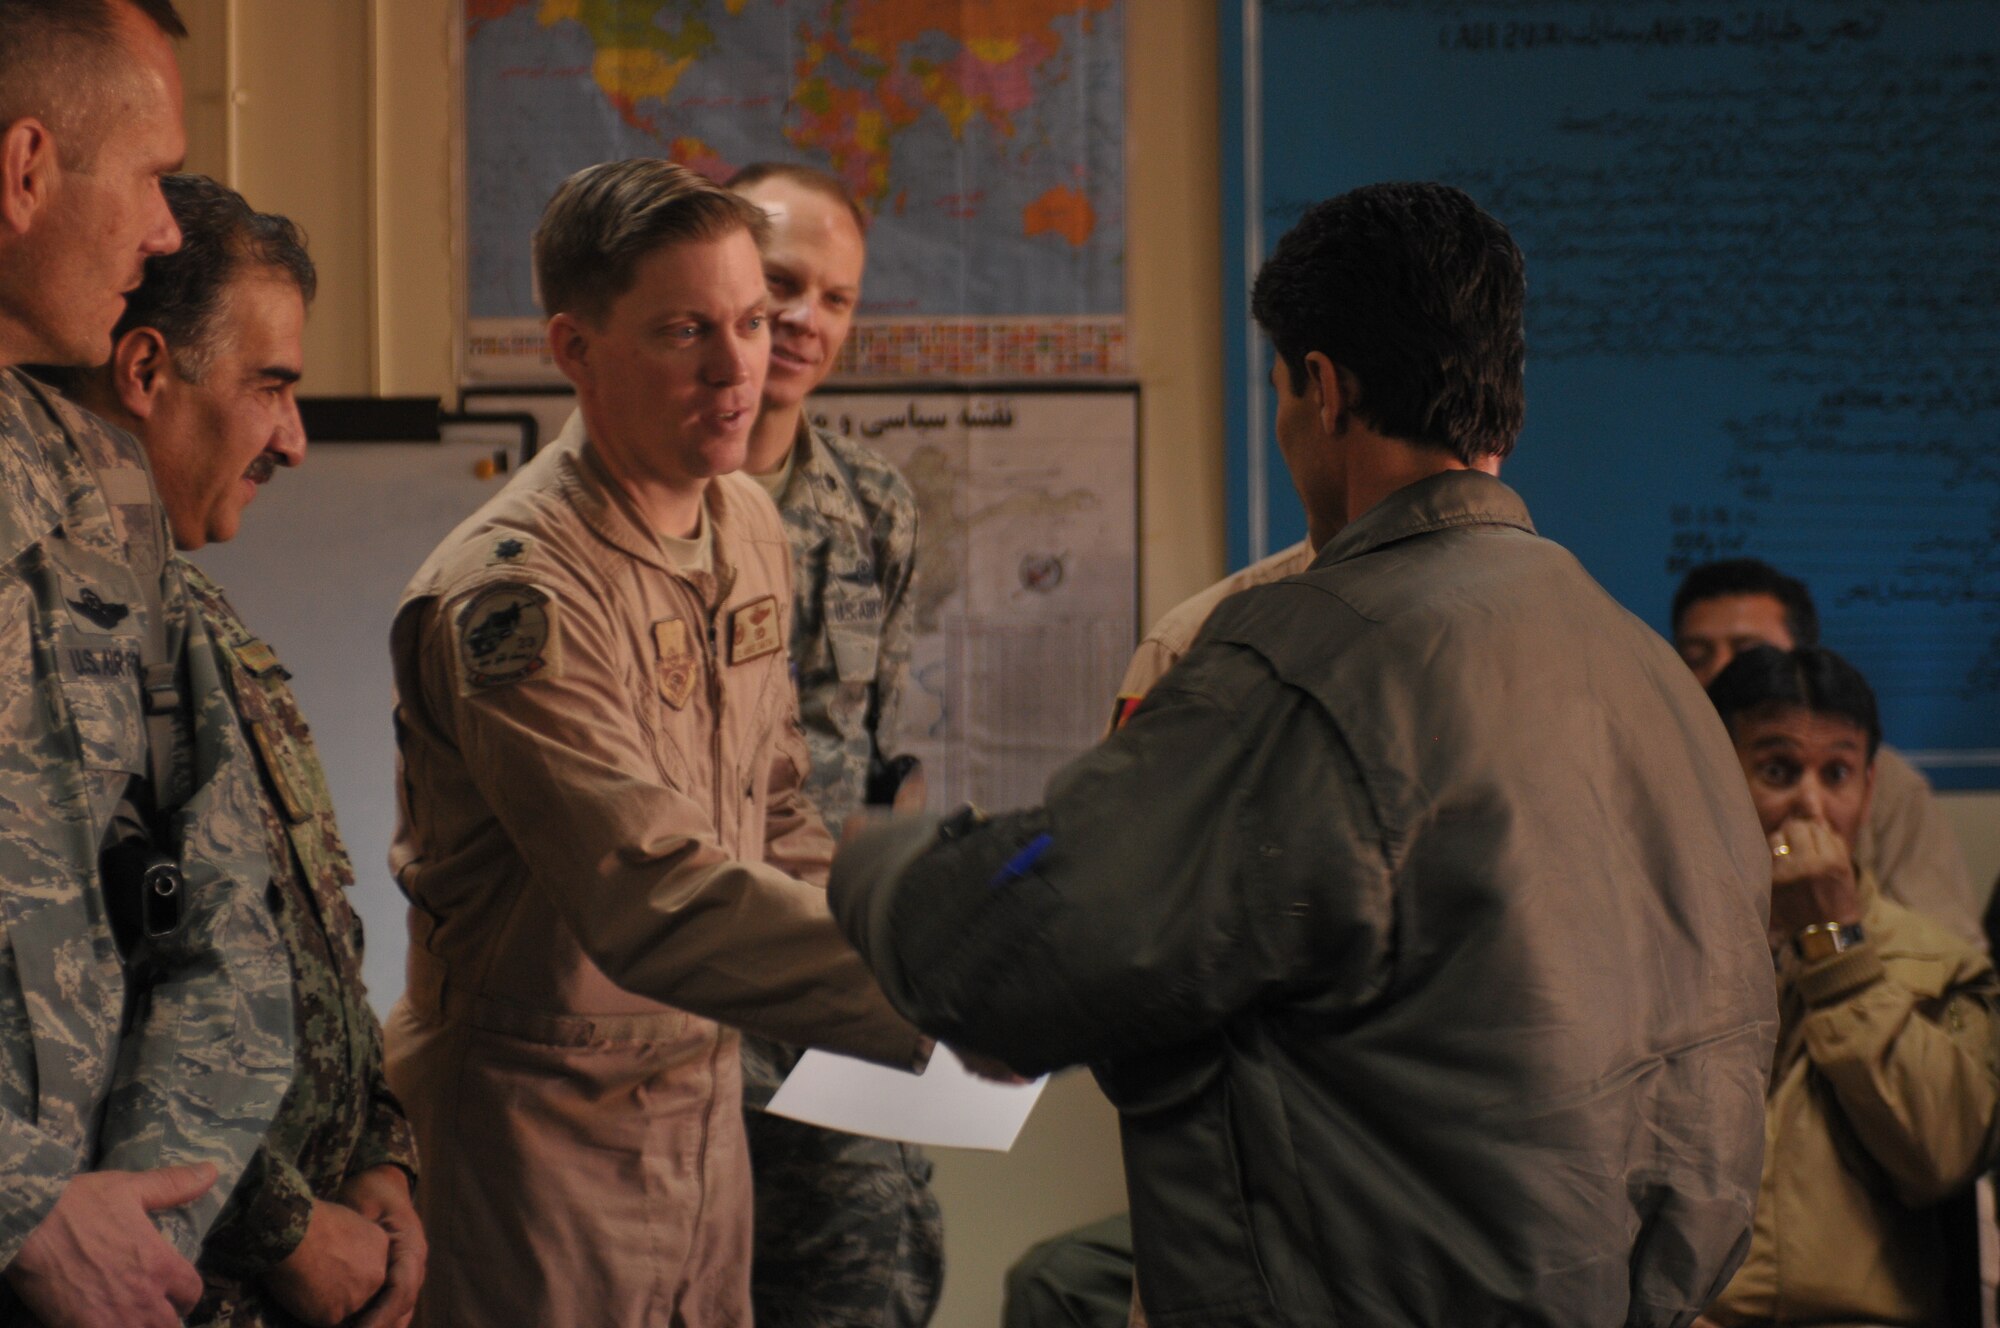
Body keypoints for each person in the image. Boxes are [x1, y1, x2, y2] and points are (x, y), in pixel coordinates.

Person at [829, 182, 1777, 1326]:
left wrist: (876, 858)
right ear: (1501, 408)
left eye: (1282, 389)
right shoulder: (1644, 668)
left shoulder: (1313, 664)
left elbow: (1014, 950)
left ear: (1321, 389)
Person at [382, 159, 928, 1328]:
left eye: (751, 321)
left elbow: (777, 808)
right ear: (573, 347)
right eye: (686, 331)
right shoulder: (513, 598)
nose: (740, 369)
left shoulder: (743, 521)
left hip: (701, 1106)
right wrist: (934, 988)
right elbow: (651, 892)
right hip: (541, 1130)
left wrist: (914, 931)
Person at [56, 173, 424, 1328]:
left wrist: (376, 1150)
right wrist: (287, 1225)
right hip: (169, 1279)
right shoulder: (58, 640)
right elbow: (79, 1010)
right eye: (271, 387)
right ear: (148, 373)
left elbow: (305, 938)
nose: (296, 442)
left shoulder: (196, 620)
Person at [0, 4, 294, 1327]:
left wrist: (136, 1233)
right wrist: (21, 1210)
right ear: (24, 172)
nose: (167, 229)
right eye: (150, 176)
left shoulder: (100, 491)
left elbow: (228, 914)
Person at [727, 160, 940, 1328]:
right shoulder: (639, 497)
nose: (806, 320)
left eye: (837, 298)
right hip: (671, 1018)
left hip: (831, 1018)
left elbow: (884, 763)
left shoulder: (873, 505)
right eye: (780, 284)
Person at [1700, 644, 2000, 1326]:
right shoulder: (1662, 948)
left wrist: (1835, 945)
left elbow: (1942, 1157)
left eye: (1835, 773)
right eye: (1777, 769)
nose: (1810, 806)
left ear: (1868, 791)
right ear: (1716, 776)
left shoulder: (1941, 965)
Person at [1673, 557, 1982, 943]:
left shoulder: (1892, 787)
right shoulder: (1660, 776)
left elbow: (1948, 952)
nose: (1720, 673)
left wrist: (1834, 932)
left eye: (1750, 654)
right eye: (1696, 658)